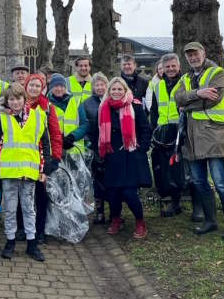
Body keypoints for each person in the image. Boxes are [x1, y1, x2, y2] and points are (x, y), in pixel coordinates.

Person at [175, 42, 224, 240]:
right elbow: (177, 97)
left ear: (203, 53)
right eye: (189, 56)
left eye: (196, 54)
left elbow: (214, 99)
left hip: (213, 135)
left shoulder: (217, 73)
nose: (193, 58)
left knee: (220, 182)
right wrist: (197, 93)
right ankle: (210, 221)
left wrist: (188, 104)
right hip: (193, 137)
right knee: (199, 181)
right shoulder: (186, 77)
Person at [0, 83, 53, 261]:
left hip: (29, 172)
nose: (15, 102)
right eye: (11, 99)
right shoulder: (1, 119)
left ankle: (32, 244)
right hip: (9, 173)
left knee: (28, 209)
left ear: (24, 99)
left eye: (18, 99)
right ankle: (10, 241)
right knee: (9, 209)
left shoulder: (39, 116)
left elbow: (44, 145)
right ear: (7, 102)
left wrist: (44, 169)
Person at [99, 77, 152, 238]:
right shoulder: (104, 107)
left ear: (125, 90)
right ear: (109, 91)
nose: (116, 92)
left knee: (129, 193)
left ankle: (140, 222)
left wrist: (141, 149)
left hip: (131, 157)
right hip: (112, 157)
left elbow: (145, 129)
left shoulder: (134, 105)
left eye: (119, 89)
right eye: (113, 89)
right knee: (113, 193)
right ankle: (116, 219)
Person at [148, 53, 192, 218]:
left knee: (180, 167)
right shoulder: (158, 86)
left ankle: (183, 201)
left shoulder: (185, 83)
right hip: (163, 129)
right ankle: (173, 201)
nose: (171, 69)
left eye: (173, 66)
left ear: (179, 66)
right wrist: (154, 129)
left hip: (180, 128)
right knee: (166, 167)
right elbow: (153, 109)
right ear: (163, 69)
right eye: (167, 67)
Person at [22, 73, 63, 244]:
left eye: (38, 86)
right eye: (31, 85)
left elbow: (55, 133)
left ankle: (39, 231)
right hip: (22, 157)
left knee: (40, 196)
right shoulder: (17, 104)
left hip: (41, 157)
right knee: (22, 195)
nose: (34, 88)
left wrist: (56, 157)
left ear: (43, 89)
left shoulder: (47, 107)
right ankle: (22, 229)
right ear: (26, 86)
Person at [80, 72, 109, 223]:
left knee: (111, 179)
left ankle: (115, 211)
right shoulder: (87, 103)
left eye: (102, 84)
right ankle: (100, 211)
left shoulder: (112, 100)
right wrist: (88, 143)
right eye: (97, 85)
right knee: (97, 180)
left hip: (110, 146)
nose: (99, 87)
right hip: (94, 145)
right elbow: (84, 124)